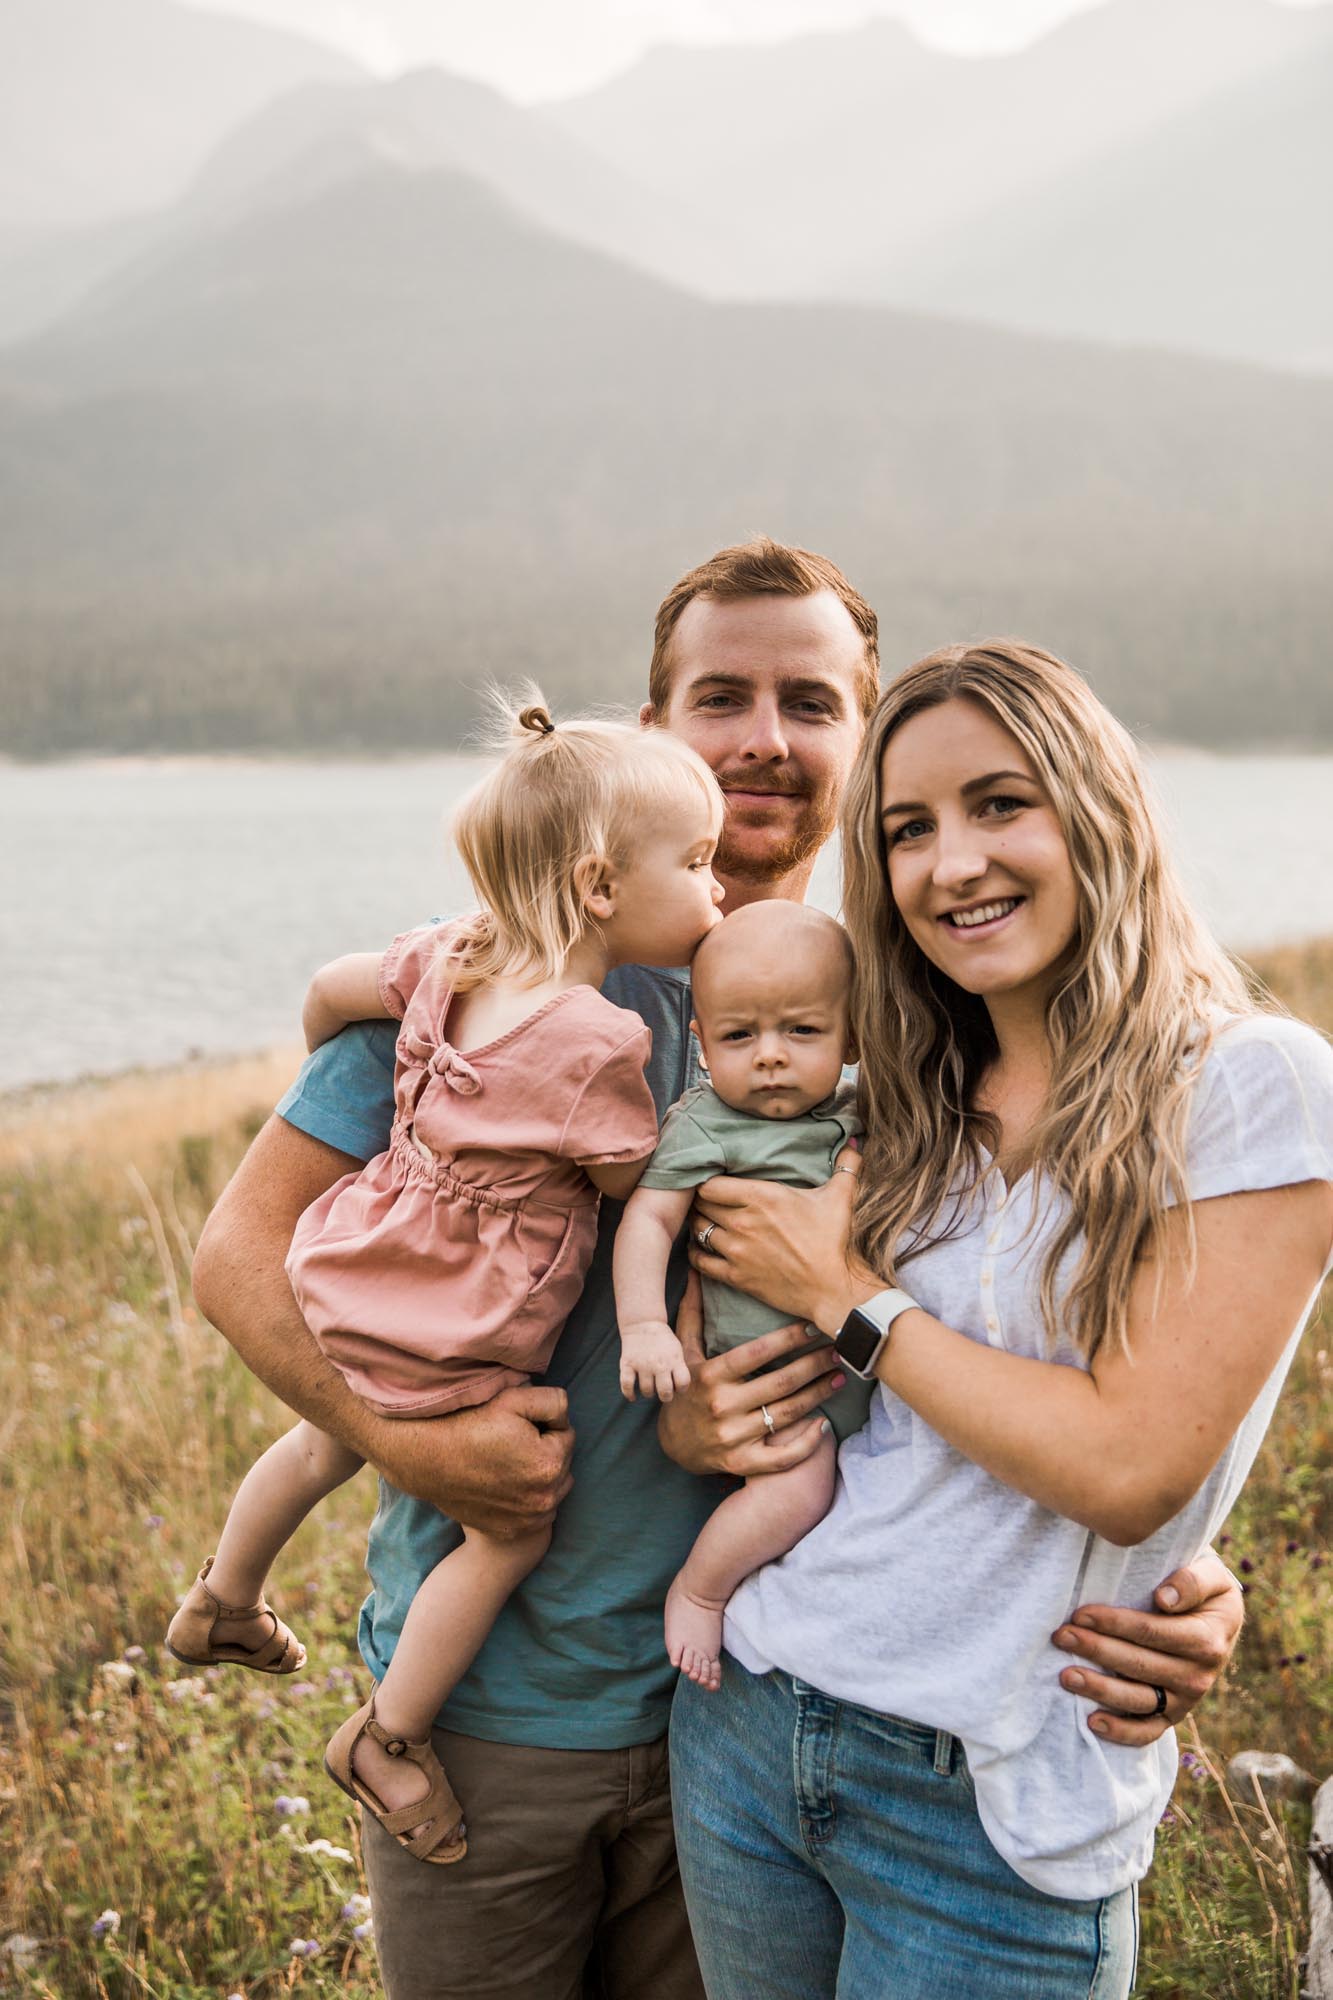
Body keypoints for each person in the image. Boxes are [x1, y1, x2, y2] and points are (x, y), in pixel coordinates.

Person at [190, 543, 1245, 2000]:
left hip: (761, 1705)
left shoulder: (924, 1007)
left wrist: (1172, 1562)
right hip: (505, 1711)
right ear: (654, 727)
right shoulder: (516, 973)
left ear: (862, 739)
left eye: (810, 702)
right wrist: (409, 1442)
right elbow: (236, 1258)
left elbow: (1030, 1326)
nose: (763, 736)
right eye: (721, 696)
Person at [673, 639, 1333, 1999]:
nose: (950, 862)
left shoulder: (1250, 1085)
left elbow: (1126, 1466)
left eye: (998, 803)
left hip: (989, 1800)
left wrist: (842, 1297)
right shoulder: (902, 1097)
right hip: (755, 1720)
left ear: (1097, 805)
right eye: (906, 830)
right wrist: (701, 1409)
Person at [168, 699, 723, 1864]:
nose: (713, 890)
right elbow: (641, 1183)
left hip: (359, 1265)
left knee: (326, 1441)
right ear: (600, 887)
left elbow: (327, 994)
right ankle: (393, 1731)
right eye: (698, 863)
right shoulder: (596, 1040)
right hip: (462, 1324)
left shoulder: (452, 958)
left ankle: (225, 1588)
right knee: (506, 1537)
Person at [615, 900, 867, 1690]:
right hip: (772, 1383)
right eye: (738, 1036)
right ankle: (701, 1588)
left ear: (851, 1035)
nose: (768, 1058)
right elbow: (648, 1223)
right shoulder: (705, 1123)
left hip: (864, 1367)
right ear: (700, 1042)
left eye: (800, 1031)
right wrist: (645, 1328)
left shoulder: (867, 1113)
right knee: (800, 1480)